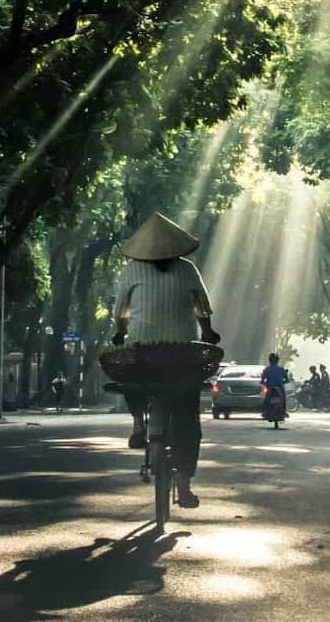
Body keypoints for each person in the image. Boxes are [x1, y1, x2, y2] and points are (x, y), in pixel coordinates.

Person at [111, 212, 220, 509]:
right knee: (187, 417)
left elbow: (121, 310)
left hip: (143, 350)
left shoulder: (132, 269)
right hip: (182, 353)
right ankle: (184, 486)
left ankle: (137, 423)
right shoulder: (187, 270)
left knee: (131, 375)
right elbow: (203, 309)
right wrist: (208, 332)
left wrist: (121, 333)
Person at [261, 353, 290, 426]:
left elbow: (262, 380)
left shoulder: (267, 369)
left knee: (266, 400)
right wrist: (282, 382)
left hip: (270, 388)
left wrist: (264, 382)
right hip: (279, 388)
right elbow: (286, 380)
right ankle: (284, 411)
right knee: (283, 399)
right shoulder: (281, 369)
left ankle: (266, 412)